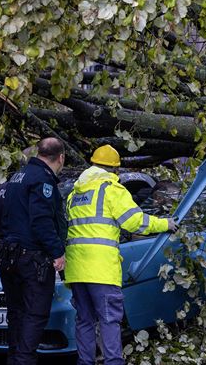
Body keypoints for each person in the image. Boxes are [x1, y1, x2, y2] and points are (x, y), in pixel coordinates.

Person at [64, 144, 177, 365]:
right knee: (109, 320)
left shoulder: (75, 194)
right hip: (101, 269)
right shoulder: (111, 190)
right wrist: (166, 223)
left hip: (76, 269)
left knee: (84, 320)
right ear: (115, 170)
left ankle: (84, 362)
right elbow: (135, 222)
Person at [0, 137, 67, 365]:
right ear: (61, 157)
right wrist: (57, 252)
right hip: (32, 259)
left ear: (37, 153)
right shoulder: (42, 180)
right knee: (34, 315)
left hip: (8, 257)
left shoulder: (15, 177)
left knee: (16, 314)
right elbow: (41, 221)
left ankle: (15, 359)